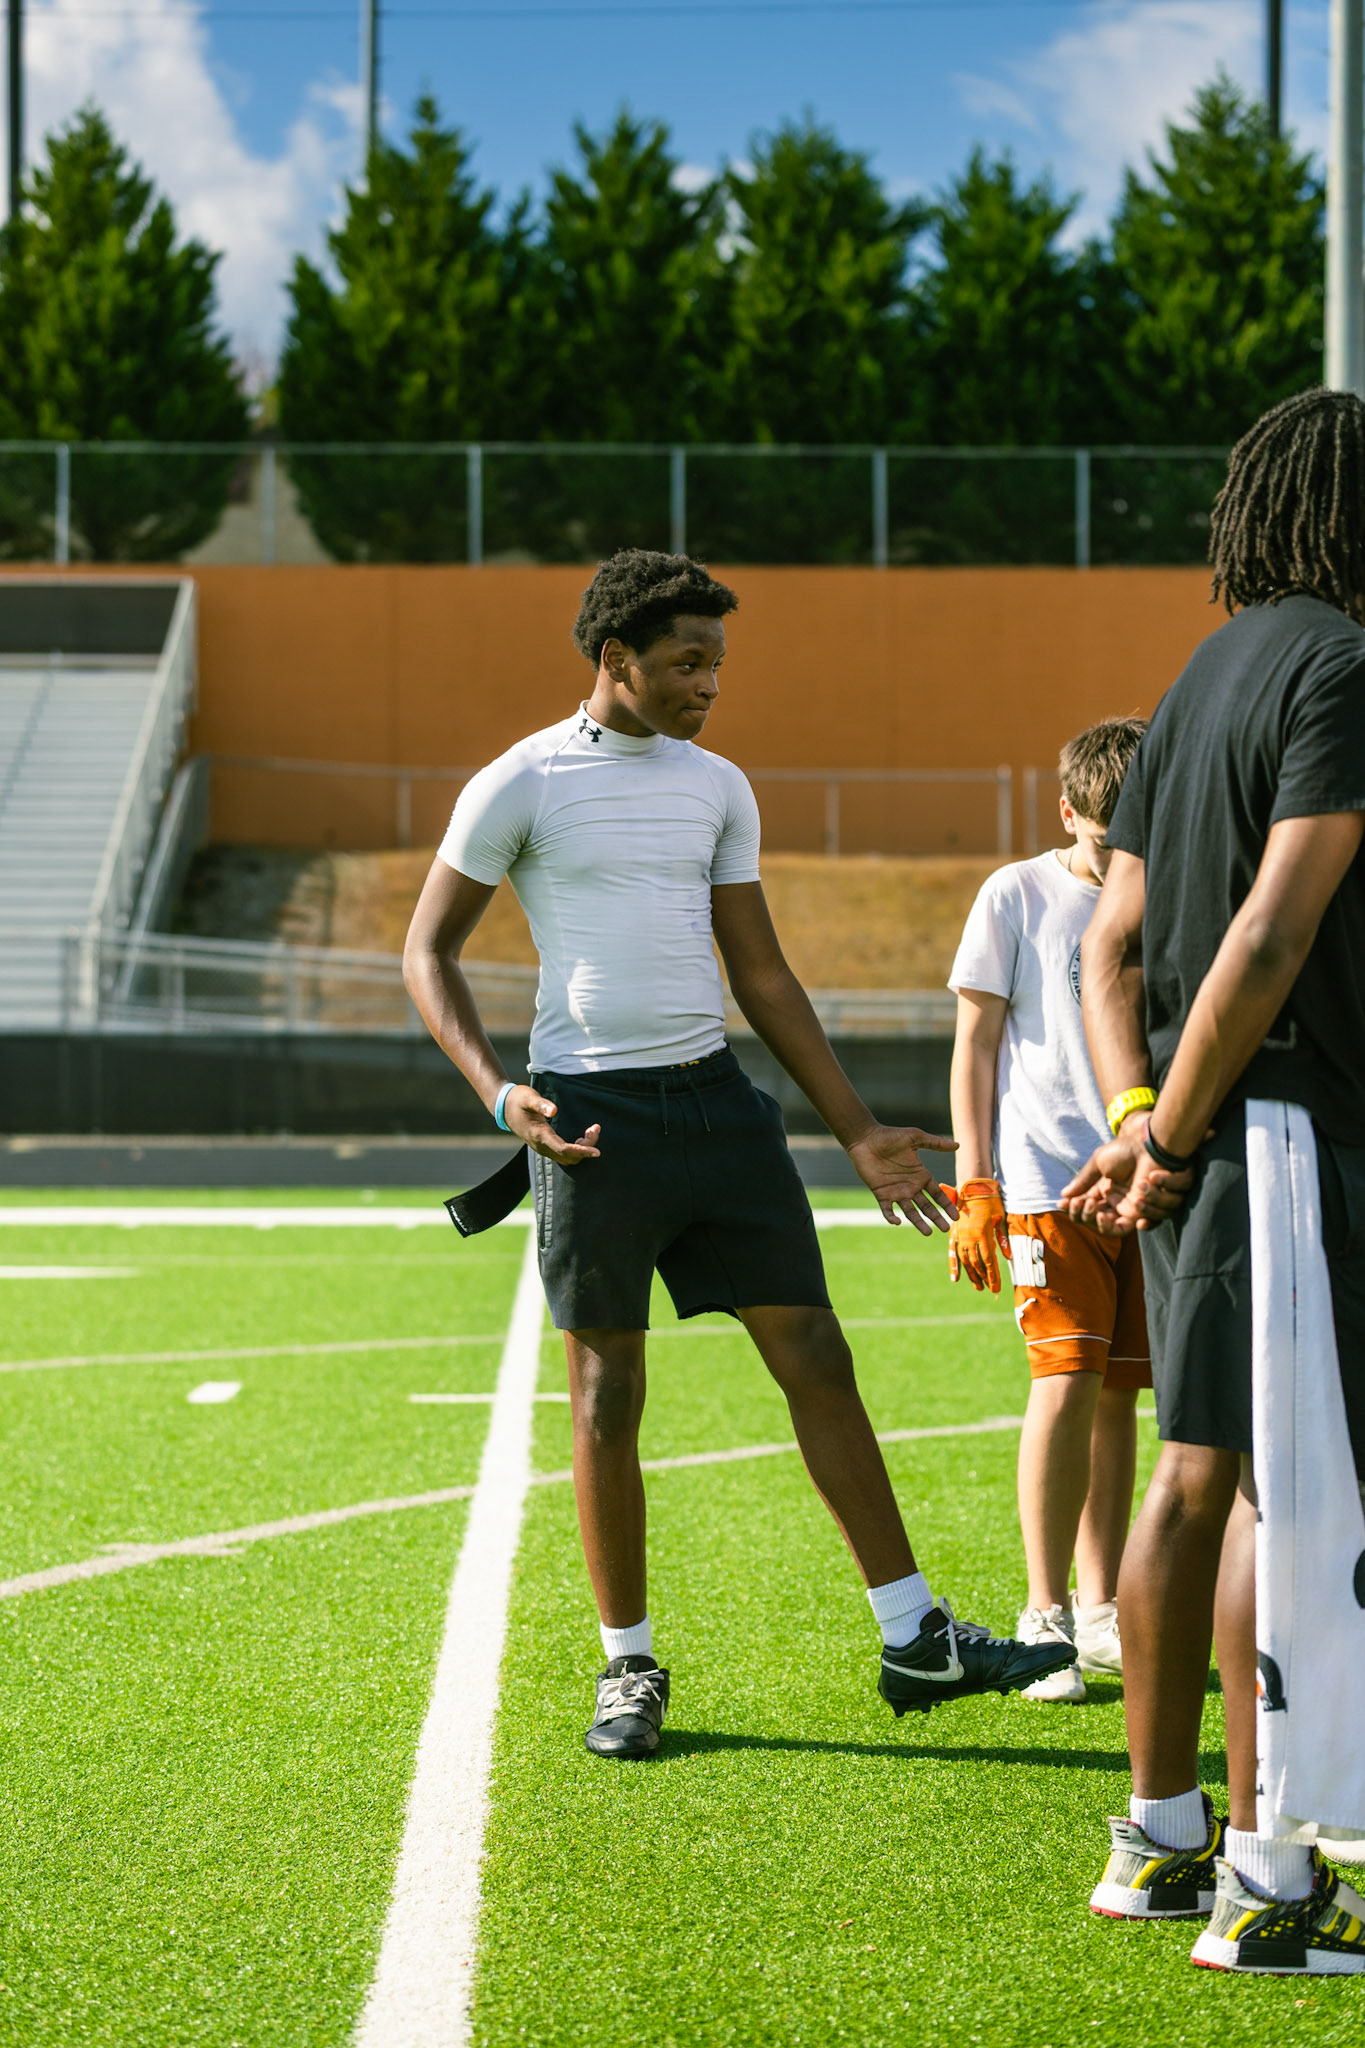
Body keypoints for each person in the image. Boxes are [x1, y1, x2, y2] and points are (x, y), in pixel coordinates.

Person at [404, 548, 1076, 1759]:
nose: (710, 683)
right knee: (608, 1393)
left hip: (720, 1105)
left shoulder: (717, 785)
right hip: (591, 1124)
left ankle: (915, 1634)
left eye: (717, 662)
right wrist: (499, 1093)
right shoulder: (521, 780)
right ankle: (628, 1664)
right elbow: (427, 951)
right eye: (687, 661)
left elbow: (760, 972)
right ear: (616, 658)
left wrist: (856, 1126)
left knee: (818, 1352)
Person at [1064, 390, 1365, 1973]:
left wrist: (1137, 1112)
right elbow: (1273, 927)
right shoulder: (1342, 666)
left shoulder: (1194, 681)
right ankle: (1271, 1885)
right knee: (1277, 1494)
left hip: (1198, 1134)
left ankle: (1160, 1840)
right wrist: (1175, 1136)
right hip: (1280, 1132)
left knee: (1195, 1473)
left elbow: (1108, 944)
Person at [945, 717, 1150, 1702]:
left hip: (1145, 1182)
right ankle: (1045, 1612)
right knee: (1065, 1383)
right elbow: (975, 1045)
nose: (1121, 854)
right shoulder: (1014, 893)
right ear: (1067, 813)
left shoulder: (1169, 887)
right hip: (1046, 1185)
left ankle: (1102, 1612)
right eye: (1107, 837)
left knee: (1120, 1396)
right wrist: (977, 1182)